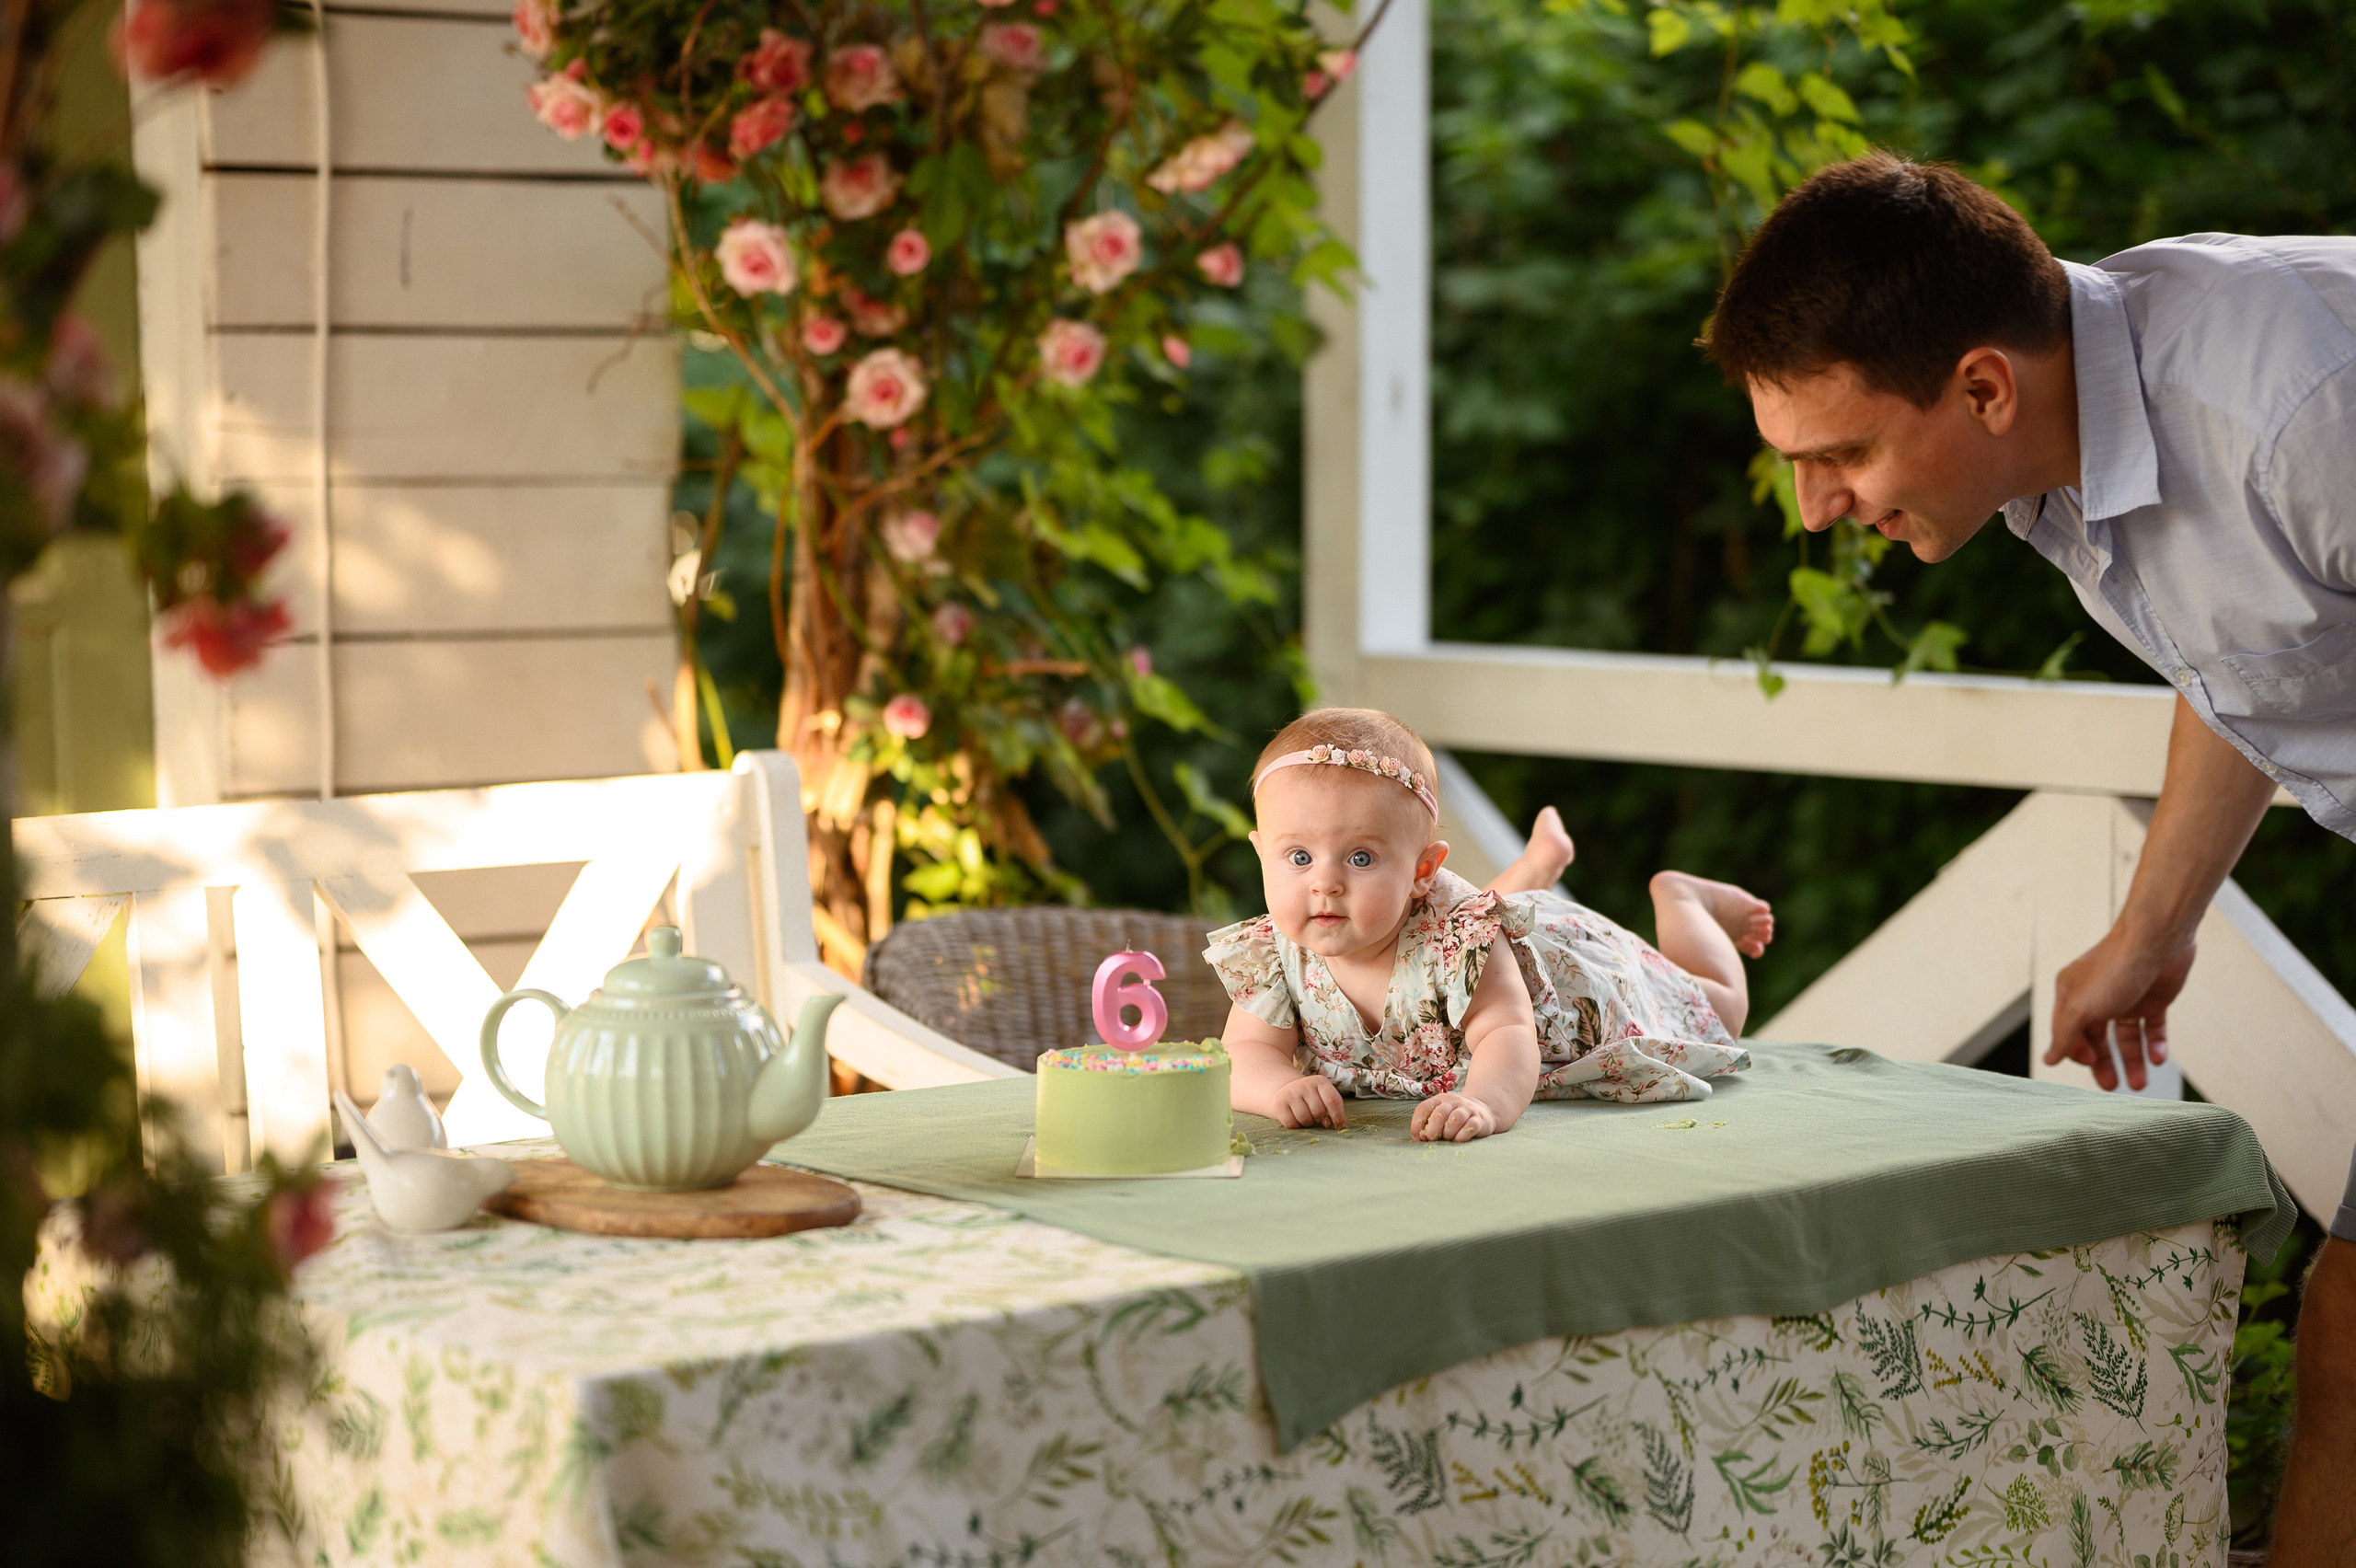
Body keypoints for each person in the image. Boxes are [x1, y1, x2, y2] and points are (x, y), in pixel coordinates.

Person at [1704, 150, 2354, 1566]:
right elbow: (2241, 649)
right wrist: (2154, 926)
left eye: (1841, 456)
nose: (1817, 510)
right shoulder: (2066, 459)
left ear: (1983, 388)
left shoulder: (2295, 409)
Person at [1205, 708, 1771, 1142]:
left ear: (1423, 870)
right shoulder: (1276, 954)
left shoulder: (1462, 944)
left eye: (1360, 859)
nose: (1323, 884)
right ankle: (1529, 873)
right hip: (1457, 917)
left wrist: (1484, 1102)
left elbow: (1506, 1033)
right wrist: (1280, 1087)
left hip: (1567, 989)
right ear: (1261, 855)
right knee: (1465, 913)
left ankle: (1682, 899)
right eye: (1298, 857)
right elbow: (1248, 1053)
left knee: (1720, 1009)